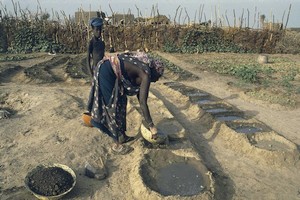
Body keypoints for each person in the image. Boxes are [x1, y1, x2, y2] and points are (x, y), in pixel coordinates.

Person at [87, 51, 164, 155]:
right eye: (158, 76)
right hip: (106, 71)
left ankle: (122, 136)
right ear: (154, 71)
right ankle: (117, 145)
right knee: (112, 106)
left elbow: (140, 98)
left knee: (122, 102)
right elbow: (142, 102)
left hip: (113, 72)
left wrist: (147, 121)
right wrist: (152, 126)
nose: (156, 80)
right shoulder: (145, 75)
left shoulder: (143, 71)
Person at [86, 17, 105, 114]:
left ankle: (100, 111)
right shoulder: (91, 43)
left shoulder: (102, 43)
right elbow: (88, 59)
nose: (99, 32)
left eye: (100, 29)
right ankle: (89, 110)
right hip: (95, 69)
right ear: (92, 30)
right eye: (97, 30)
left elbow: (103, 56)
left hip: (102, 70)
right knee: (94, 90)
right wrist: (91, 74)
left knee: (102, 90)